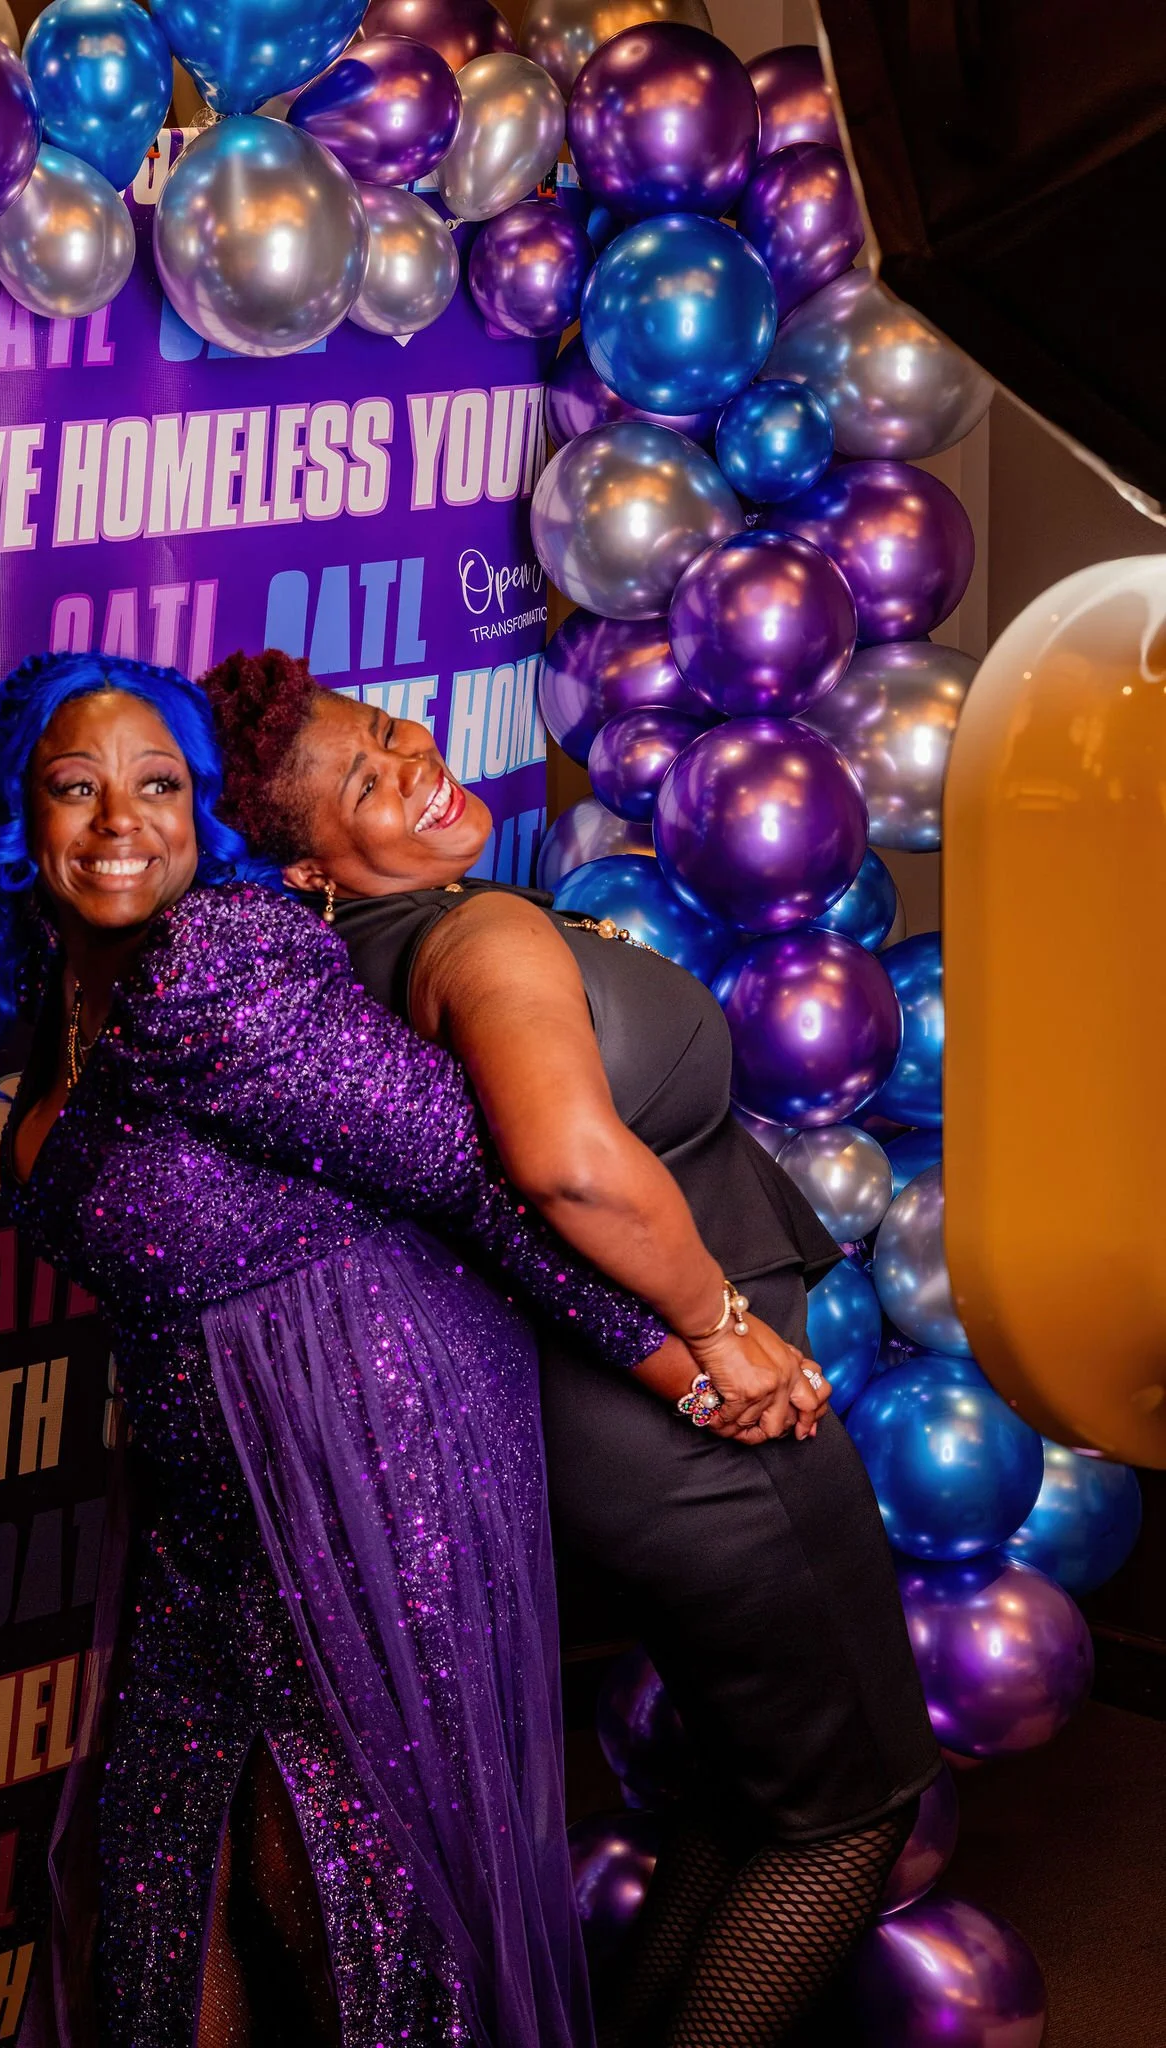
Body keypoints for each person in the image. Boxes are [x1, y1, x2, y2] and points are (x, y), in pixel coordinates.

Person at [0, 650, 725, 2048]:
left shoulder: (220, 962)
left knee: (345, 1927)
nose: (119, 820)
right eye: (76, 787)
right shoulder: (54, 1022)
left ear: (206, 818)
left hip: (363, 1495)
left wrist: (680, 1348)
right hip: (203, 1531)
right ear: (25, 817)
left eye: (161, 786)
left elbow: (471, 1176)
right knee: (156, 1922)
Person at [200, 649, 944, 2048]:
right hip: (701, 1441)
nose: (412, 766)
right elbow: (566, 1169)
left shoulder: (354, 967)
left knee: (751, 1800)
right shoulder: (467, 938)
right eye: (361, 782)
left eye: (390, 734)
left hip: (603, 1432)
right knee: (849, 1815)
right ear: (302, 870)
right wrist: (720, 1327)